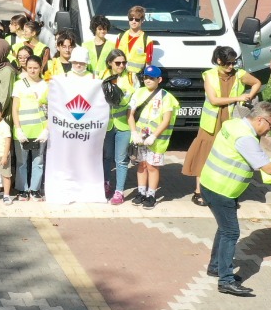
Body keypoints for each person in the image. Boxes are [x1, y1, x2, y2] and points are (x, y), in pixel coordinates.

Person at [197, 102, 271, 297]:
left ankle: (216, 266)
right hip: (221, 190)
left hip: (211, 182)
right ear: (260, 119)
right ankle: (226, 280)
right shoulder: (246, 139)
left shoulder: (233, 124)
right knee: (231, 233)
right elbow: (267, 167)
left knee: (224, 229)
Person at [182, 46, 262, 207]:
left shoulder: (239, 74)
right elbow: (214, 100)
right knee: (204, 155)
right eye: (228, 63)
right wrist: (238, 97)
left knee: (229, 156)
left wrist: (248, 98)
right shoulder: (209, 76)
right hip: (211, 123)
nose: (231, 67)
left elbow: (257, 83)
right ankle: (199, 191)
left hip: (231, 122)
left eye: (234, 63)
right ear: (219, 61)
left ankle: (225, 192)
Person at [127, 65, 177, 208]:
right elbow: (130, 114)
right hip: (140, 138)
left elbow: (166, 120)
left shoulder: (166, 97)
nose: (148, 80)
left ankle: (151, 195)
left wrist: (154, 136)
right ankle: (141, 193)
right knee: (141, 165)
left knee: (152, 167)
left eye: (151, 78)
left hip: (156, 140)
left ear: (159, 79)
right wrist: (133, 132)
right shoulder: (138, 93)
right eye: (146, 78)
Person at [102, 49, 139, 204]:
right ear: (110, 63)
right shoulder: (102, 76)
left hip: (124, 124)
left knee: (121, 160)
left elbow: (137, 98)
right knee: (107, 157)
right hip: (107, 125)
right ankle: (106, 184)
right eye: (118, 63)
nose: (121, 65)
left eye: (124, 62)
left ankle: (119, 191)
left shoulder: (131, 77)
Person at [11, 55, 48, 201]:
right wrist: (18, 129)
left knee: (38, 161)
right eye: (30, 67)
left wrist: (47, 129)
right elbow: (15, 109)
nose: (32, 70)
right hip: (23, 129)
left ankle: (35, 189)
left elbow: (50, 109)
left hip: (40, 128)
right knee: (22, 162)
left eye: (36, 68)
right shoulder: (19, 84)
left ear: (41, 68)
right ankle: (23, 189)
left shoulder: (46, 85)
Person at [112, 5, 154, 75]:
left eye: (137, 20)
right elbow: (115, 59)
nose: (133, 22)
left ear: (142, 21)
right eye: (131, 19)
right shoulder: (120, 37)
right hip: (121, 76)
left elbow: (148, 64)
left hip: (137, 78)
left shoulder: (147, 40)